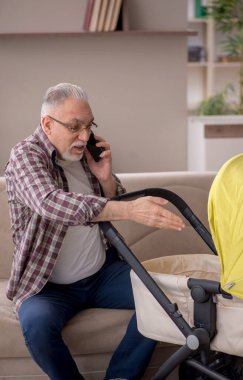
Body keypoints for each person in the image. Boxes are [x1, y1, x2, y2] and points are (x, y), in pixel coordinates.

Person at [4, 83, 185, 380]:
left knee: (165, 300)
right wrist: (130, 209)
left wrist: (106, 181)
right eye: (75, 126)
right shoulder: (26, 156)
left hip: (101, 274)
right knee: (37, 327)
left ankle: (121, 376)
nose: (85, 136)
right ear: (47, 124)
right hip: (46, 286)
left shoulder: (86, 155)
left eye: (89, 126)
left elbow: (109, 203)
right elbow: (50, 203)